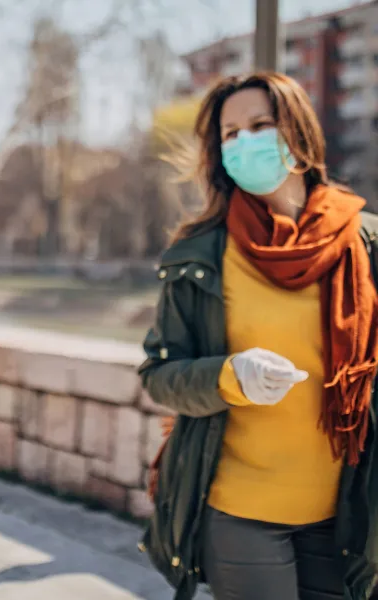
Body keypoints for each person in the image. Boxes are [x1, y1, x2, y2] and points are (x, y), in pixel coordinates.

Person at [138, 71, 378, 600]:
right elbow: (159, 374)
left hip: (348, 517)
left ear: (298, 131)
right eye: (231, 133)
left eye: (260, 125)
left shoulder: (365, 242)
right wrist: (229, 376)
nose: (244, 142)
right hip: (241, 512)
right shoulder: (199, 252)